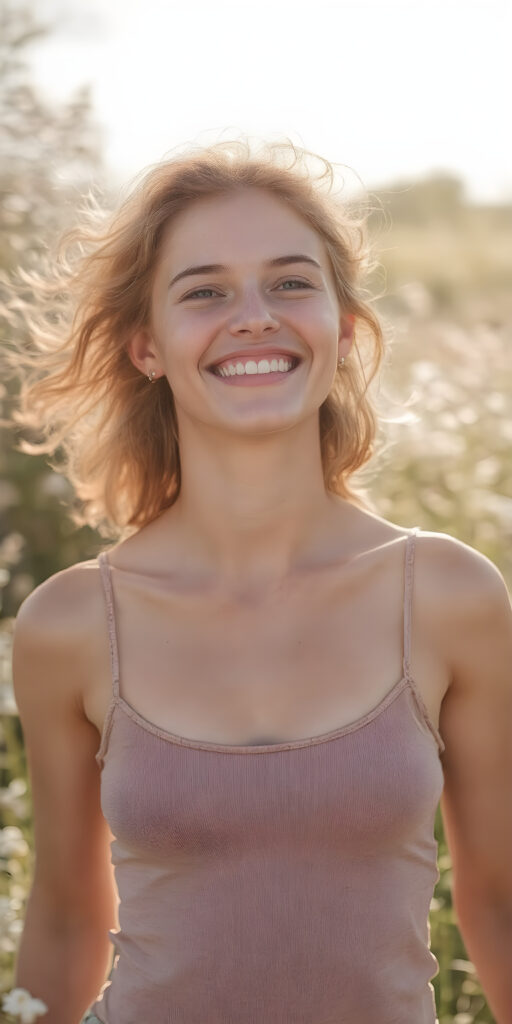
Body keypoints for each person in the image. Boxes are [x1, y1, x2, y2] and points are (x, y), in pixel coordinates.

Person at [7, 137, 512, 1024]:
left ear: (344, 331)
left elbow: (503, 906)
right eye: (204, 292)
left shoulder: (448, 597)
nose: (253, 317)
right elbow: (65, 915)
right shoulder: (74, 623)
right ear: (146, 347)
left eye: (290, 283)